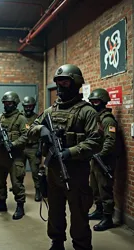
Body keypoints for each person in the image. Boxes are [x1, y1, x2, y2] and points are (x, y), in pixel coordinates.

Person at [27, 64, 103, 250]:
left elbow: (96, 142)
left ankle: (81, 244)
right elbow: (29, 130)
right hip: (53, 171)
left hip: (75, 172)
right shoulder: (49, 112)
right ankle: (57, 241)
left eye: (65, 81)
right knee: (55, 210)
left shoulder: (87, 112)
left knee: (78, 213)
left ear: (75, 83)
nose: (60, 86)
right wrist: (41, 129)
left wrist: (70, 152)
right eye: (58, 82)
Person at [0, 91, 28, 220]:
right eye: (5, 103)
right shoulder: (0, 118)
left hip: (16, 156)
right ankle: (1, 203)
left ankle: (20, 206)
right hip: (1, 156)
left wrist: (14, 143)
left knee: (17, 183)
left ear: (15, 103)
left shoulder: (21, 118)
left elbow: (26, 135)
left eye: (9, 103)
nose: (6, 105)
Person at [88, 88, 117, 231]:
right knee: (95, 187)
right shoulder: (96, 118)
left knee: (105, 189)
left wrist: (101, 154)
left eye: (97, 101)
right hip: (95, 159)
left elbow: (110, 142)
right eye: (92, 101)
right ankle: (99, 210)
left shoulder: (107, 120)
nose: (94, 103)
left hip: (104, 160)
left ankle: (107, 218)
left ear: (103, 102)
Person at [22, 96, 41, 201]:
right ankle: (19, 188)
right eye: (26, 106)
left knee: (35, 171)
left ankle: (38, 190)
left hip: (33, 147)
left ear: (33, 106)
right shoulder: (20, 117)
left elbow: (42, 135)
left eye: (30, 106)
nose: (28, 108)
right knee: (19, 170)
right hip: (21, 147)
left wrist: (40, 149)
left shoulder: (38, 118)